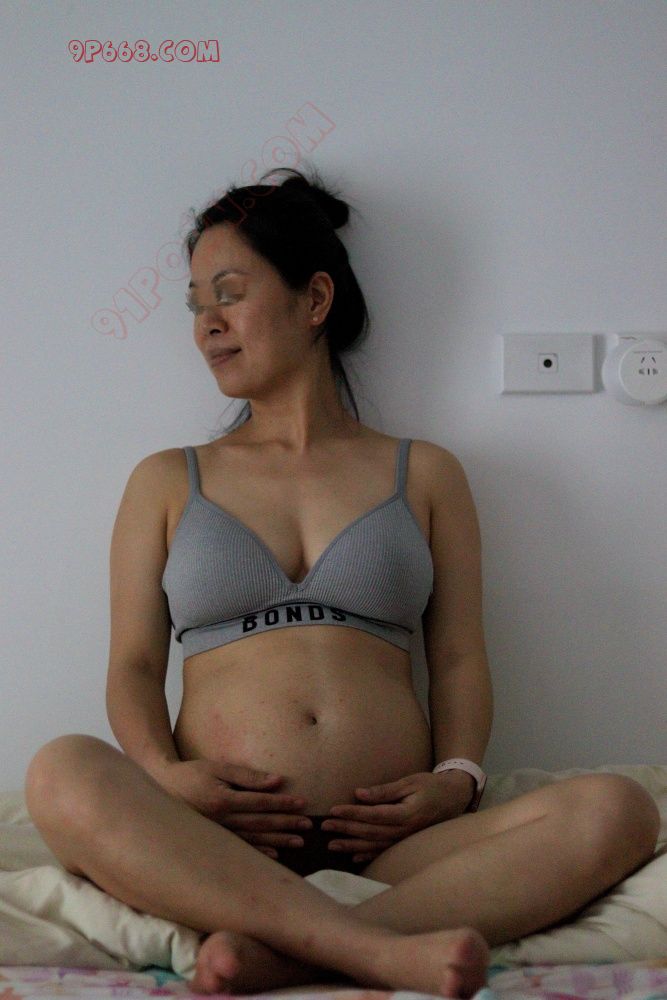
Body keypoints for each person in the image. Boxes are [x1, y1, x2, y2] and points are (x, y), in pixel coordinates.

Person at [25, 166, 659, 1000]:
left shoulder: (425, 474)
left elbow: (458, 656)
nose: (206, 323)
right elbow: (135, 667)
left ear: (314, 299)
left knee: (618, 808)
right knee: (60, 771)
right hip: (218, 840)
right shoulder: (166, 481)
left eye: (228, 293)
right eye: (194, 304)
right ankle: (375, 950)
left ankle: (290, 952)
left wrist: (456, 779)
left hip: (392, 849)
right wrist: (166, 775)